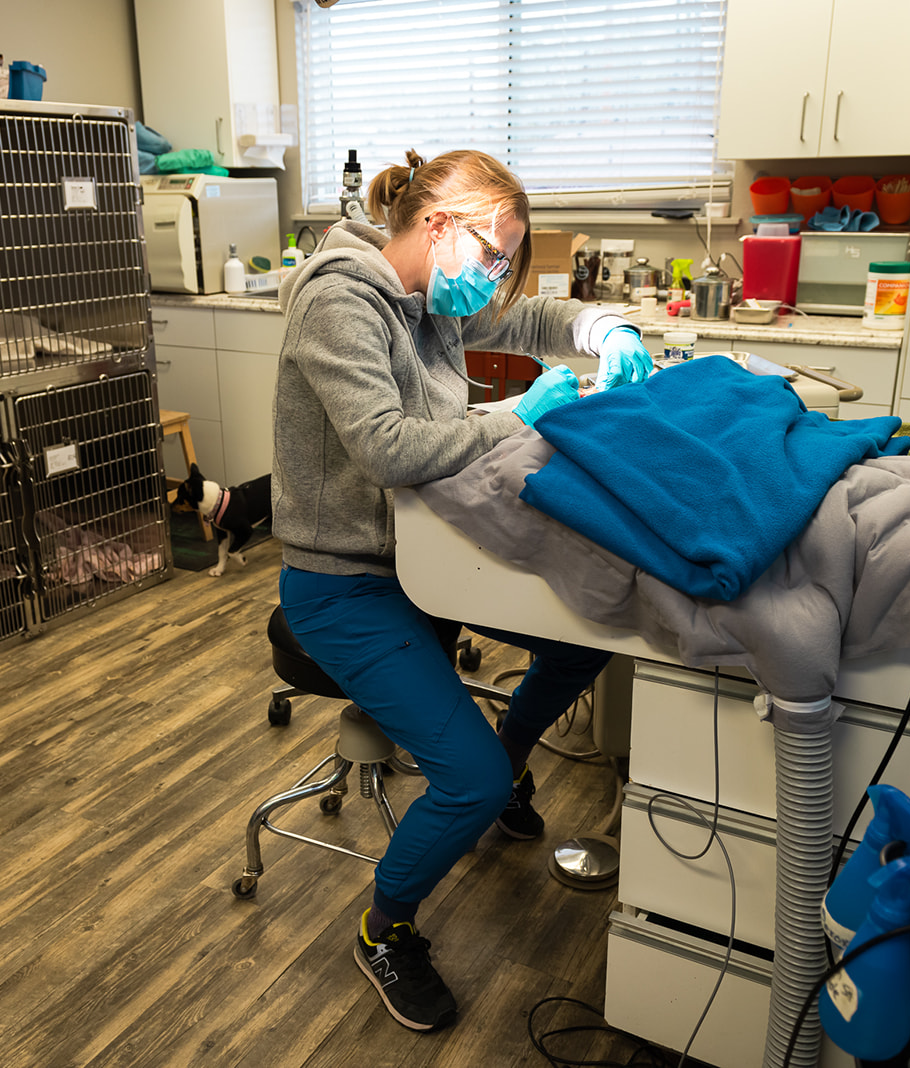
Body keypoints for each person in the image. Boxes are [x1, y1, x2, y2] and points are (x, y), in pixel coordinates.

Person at [271, 148, 653, 1033]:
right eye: (489, 256)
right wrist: (517, 416)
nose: (493, 280)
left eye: (505, 263)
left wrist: (605, 331)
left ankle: (510, 760)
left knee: (586, 631)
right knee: (468, 784)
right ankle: (383, 927)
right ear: (436, 226)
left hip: (430, 558)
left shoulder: (424, 299)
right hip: (345, 584)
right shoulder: (341, 301)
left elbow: (529, 322)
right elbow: (391, 449)